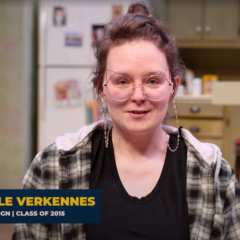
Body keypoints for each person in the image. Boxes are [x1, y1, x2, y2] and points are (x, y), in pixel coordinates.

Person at [13, 2, 240, 240]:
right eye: (122, 81)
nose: (138, 96)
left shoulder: (213, 174)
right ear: (102, 88)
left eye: (153, 81)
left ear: (173, 87)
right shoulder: (55, 166)